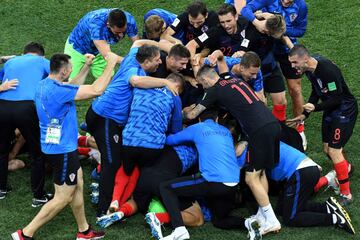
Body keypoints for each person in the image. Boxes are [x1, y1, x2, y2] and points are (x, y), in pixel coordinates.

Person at [11, 51, 118, 240]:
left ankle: (84, 231)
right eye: (70, 68)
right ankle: (25, 234)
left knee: (78, 184)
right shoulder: (59, 90)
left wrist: (86, 66)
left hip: (56, 146)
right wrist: (111, 64)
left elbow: (71, 87)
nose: (71, 70)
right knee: (63, 196)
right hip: (62, 151)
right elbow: (96, 90)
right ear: (64, 71)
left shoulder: (45, 84)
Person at [183, 52, 282, 234]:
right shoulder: (230, 78)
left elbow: (192, 115)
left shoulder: (214, 90)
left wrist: (184, 111)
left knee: (250, 178)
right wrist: (219, 57)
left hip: (259, 131)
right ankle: (263, 215)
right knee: (260, 174)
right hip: (273, 125)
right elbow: (222, 63)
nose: (203, 88)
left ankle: (272, 220)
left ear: (206, 80)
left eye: (202, 84)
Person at [86, 40, 179, 216]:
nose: (160, 62)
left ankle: (101, 185)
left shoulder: (132, 57)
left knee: (116, 154)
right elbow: (136, 81)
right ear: (146, 62)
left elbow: (138, 41)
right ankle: (103, 208)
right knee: (112, 161)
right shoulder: (134, 71)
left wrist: (164, 45)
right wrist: (165, 82)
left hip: (102, 115)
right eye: (157, 59)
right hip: (105, 119)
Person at [161, 109, 261, 240]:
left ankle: (179, 229)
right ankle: (247, 223)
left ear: (199, 119)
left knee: (166, 187)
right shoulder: (225, 132)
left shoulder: (198, 127)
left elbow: (171, 140)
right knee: (219, 220)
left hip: (213, 181)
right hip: (233, 184)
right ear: (217, 120)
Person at [287, 45, 358, 206]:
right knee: (327, 149)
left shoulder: (327, 71)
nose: (292, 66)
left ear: (305, 59)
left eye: (294, 62)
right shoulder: (309, 70)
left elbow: (338, 98)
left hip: (344, 110)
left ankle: (346, 194)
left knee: (334, 150)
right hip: (331, 109)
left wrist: (317, 107)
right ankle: (345, 168)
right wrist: (304, 114)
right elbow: (316, 90)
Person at [237, 141, 355, 235]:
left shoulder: (242, 154)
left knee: (291, 218)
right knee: (281, 209)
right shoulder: (255, 142)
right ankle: (327, 207)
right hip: (303, 170)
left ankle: (336, 218)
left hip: (302, 172)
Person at [241, 0, 309, 148]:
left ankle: (299, 129)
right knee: (260, 96)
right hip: (264, 51)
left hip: (285, 51)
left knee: (295, 89)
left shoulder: (301, 6)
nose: (286, 1)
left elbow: (301, 30)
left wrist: (281, 29)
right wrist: (257, 22)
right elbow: (246, 10)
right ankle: (265, 131)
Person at [0, 42, 50, 206]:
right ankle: (38, 196)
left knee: (2, 151)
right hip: (26, 108)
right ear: (40, 54)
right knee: (37, 153)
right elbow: (60, 77)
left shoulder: (10, 62)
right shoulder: (43, 61)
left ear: (24, 53)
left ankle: (1, 190)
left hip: (3, 107)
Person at [238, 13, 288, 122]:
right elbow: (243, 47)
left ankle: (280, 129)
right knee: (260, 105)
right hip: (254, 73)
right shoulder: (253, 31)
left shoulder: (274, 21)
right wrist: (240, 53)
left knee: (281, 101)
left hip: (271, 67)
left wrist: (292, 48)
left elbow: (283, 32)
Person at [65, 8, 139, 79]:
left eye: (124, 31)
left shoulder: (129, 20)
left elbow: (137, 43)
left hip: (98, 51)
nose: (121, 35)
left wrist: (141, 57)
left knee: (107, 81)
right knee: (69, 85)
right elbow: (108, 56)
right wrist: (132, 62)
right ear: (108, 25)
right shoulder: (96, 24)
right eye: (117, 32)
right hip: (77, 48)